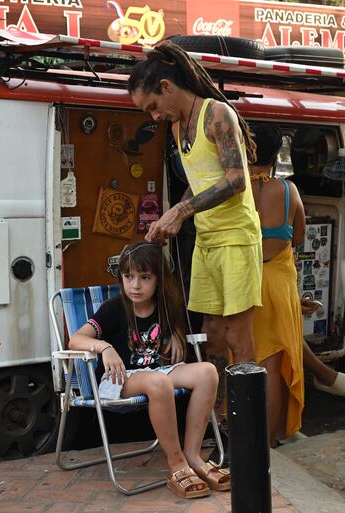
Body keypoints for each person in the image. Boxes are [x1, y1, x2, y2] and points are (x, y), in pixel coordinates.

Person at [127, 41, 262, 382]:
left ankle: (246, 426)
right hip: (206, 240)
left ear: (167, 88)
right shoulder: (176, 127)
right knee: (211, 334)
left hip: (236, 238)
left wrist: (182, 211)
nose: (154, 117)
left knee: (237, 335)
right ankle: (217, 421)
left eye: (153, 107)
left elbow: (236, 180)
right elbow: (201, 181)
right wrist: (170, 214)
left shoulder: (216, 114)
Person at [68, 241, 230, 499]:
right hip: (120, 379)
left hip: (158, 372)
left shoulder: (164, 306)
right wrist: (104, 347)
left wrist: (177, 333)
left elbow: (173, 334)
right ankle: (177, 464)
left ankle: (193, 456)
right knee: (158, 382)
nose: (135, 285)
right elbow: (75, 339)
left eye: (145, 278)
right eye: (128, 277)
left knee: (208, 372)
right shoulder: (114, 308)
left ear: (158, 280)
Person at [249, 124, 345, 446]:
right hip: (280, 282)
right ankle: (271, 439)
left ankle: (264, 434)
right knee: (276, 362)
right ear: (275, 156)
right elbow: (298, 237)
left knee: (251, 361)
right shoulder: (288, 191)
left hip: (245, 282)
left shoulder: (235, 190)